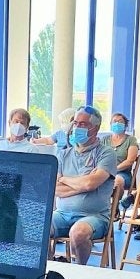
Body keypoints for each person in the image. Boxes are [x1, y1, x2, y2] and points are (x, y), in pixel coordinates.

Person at [52, 105, 118, 265]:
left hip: (95, 216)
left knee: (78, 233)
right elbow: (56, 190)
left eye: (82, 124)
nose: (76, 127)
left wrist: (65, 179)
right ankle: (45, 275)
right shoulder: (62, 154)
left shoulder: (106, 153)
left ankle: (80, 271)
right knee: (37, 226)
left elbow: (90, 183)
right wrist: (83, 182)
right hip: (62, 213)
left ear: (95, 128)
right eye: (75, 123)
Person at [105, 112, 140, 191]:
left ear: (125, 125)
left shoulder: (131, 140)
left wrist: (113, 170)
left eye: (120, 121)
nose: (117, 123)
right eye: (114, 121)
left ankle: (116, 203)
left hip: (123, 174)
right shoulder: (105, 139)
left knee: (117, 181)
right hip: (104, 171)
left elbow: (130, 161)